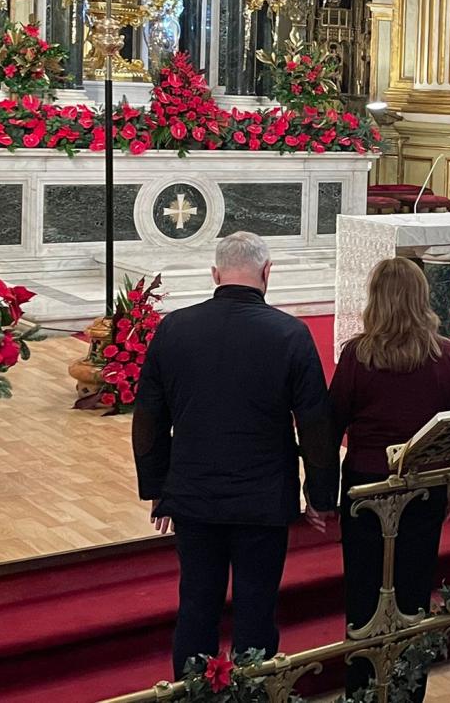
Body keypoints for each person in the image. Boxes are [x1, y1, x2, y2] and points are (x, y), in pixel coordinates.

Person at [132, 232, 339, 678]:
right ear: (267, 274)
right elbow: (316, 423)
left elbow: (148, 416)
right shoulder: (291, 334)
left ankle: (192, 690)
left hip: (193, 495)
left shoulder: (174, 329)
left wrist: (157, 488)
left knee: (196, 605)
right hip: (263, 501)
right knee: (257, 610)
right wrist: (320, 496)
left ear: (215, 274)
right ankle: (255, 691)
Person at [328, 257, 450, 701]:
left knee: (364, 593)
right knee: (412, 593)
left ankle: (362, 690)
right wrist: (448, 485)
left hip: (366, 487)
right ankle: (409, 690)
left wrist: (322, 490)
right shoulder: (444, 354)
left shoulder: (357, 354)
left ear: (376, 301)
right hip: (423, 486)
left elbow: (331, 424)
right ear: (421, 298)